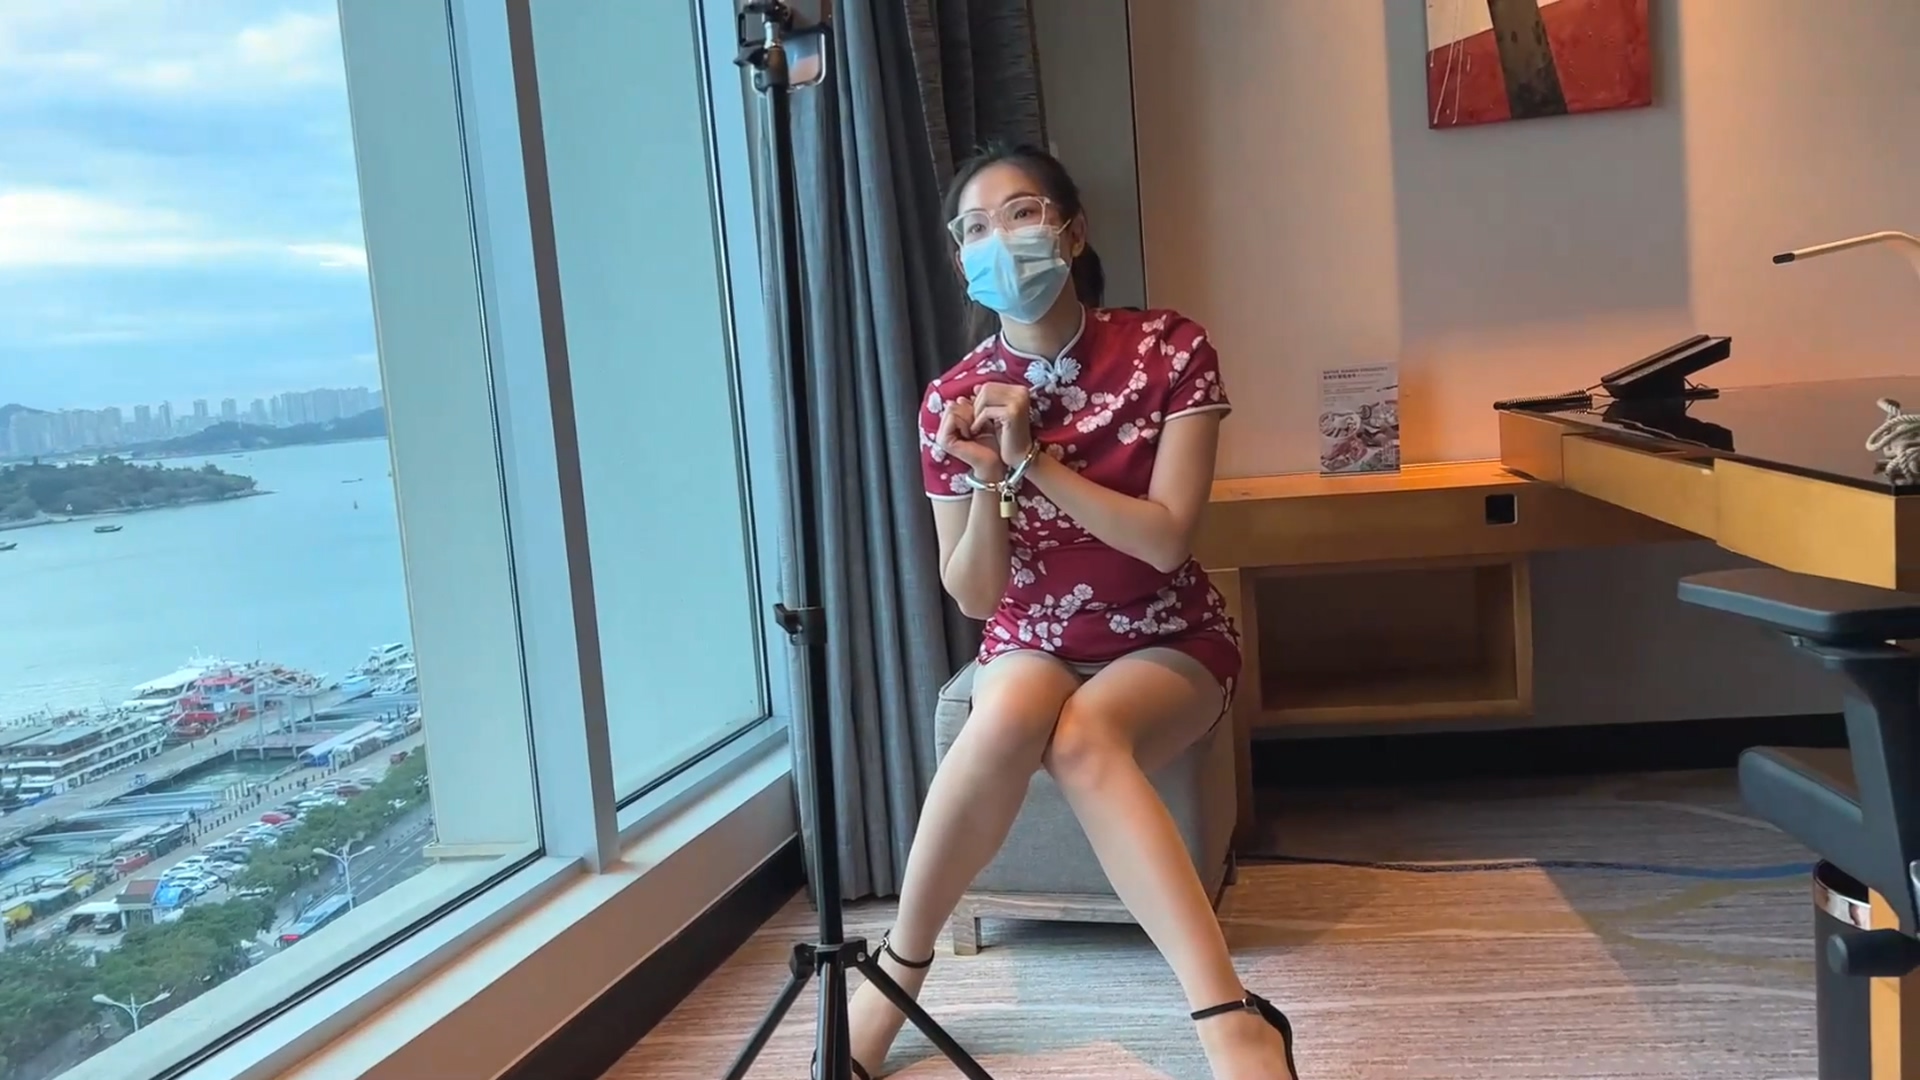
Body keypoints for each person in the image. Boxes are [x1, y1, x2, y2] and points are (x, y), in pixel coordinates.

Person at [838, 143, 1301, 1079]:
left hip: (1167, 633)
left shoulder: (1170, 350)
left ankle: (1229, 1017)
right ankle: (895, 976)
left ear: (1072, 231)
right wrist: (987, 478)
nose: (998, 241)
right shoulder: (951, 401)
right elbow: (974, 595)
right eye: (973, 229)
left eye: (1020, 214)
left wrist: (1033, 461)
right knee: (1006, 713)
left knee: (1085, 737)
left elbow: (1166, 541)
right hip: (1031, 636)